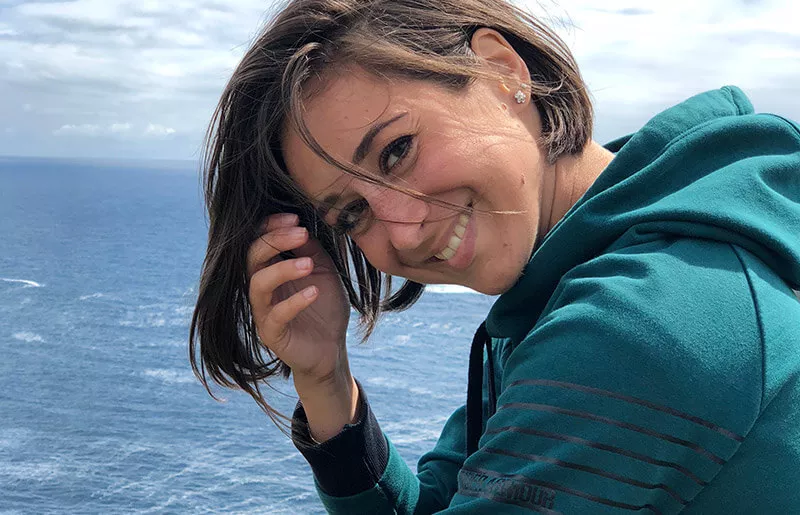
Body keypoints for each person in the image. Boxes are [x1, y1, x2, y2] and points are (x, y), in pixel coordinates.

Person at [188, 0, 800, 512]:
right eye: (351, 215)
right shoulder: (568, 278)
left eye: (397, 151)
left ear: (504, 70)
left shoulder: (635, 321)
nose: (400, 234)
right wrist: (325, 382)